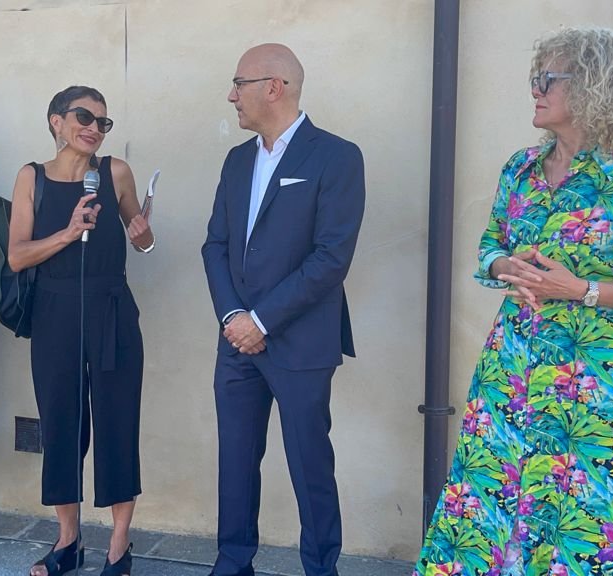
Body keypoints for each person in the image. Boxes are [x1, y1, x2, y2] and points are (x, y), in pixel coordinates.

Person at [414, 28, 613, 576]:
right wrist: (504, 266)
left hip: (591, 378)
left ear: (593, 87)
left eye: (548, 79)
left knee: (575, 512)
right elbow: (490, 246)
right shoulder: (519, 170)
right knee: (487, 497)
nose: (535, 89)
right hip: (512, 364)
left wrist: (581, 289)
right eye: (535, 78)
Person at [202, 44, 365, 576]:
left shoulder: (336, 156)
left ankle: (320, 568)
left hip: (301, 342)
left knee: (309, 464)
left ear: (274, 87)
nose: (232, 96)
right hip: (237, 342)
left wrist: (262, 320)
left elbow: (330, 257)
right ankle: (232, 564)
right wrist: (233, 318)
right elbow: (216, 246)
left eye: (239, 83)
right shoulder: (237, 160)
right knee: (235, 461)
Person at [8, 85, 153, 576]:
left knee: (118, 421)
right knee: (61, 424)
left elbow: (143, 238)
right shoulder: (31, 177)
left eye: (102, 122)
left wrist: (145, 235)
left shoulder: (116, 172)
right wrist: (70, 233)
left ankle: (118, 545)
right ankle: (68, 541)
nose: (94, 128)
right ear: (56, 121)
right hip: (54, 312)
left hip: (112, 309)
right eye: (84, 117)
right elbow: (17, 256)